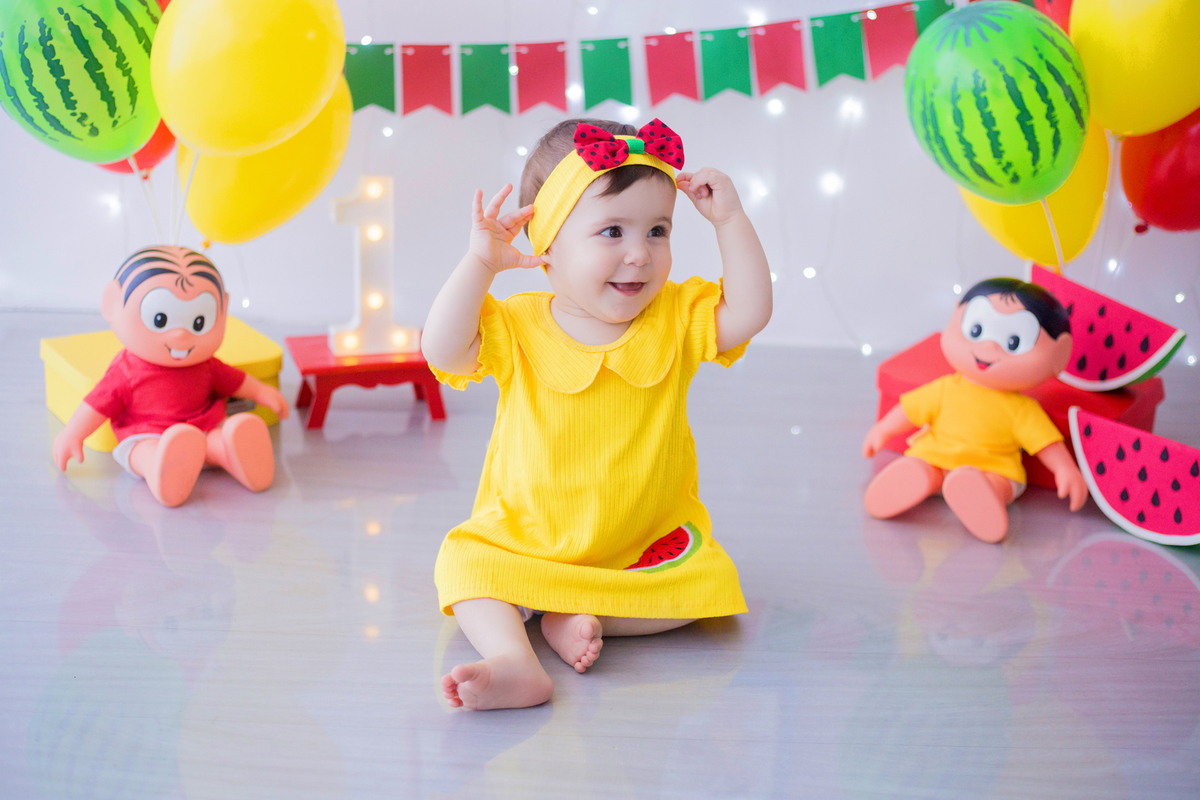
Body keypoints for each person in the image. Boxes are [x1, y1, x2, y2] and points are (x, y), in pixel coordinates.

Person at [422, 118, 772, 710]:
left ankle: (577, 613)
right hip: (527, 539)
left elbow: (751, 311)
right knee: (464, 565)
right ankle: (514, 661)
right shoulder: (518, 324)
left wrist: (730, 221)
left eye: (658, 231)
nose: (640, 254)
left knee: (707, 587)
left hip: (640, 544)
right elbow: (442, 349)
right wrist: (480, 264)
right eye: (612, 231)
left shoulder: (676, 316)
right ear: (549, 243)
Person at [52, 245, 289, 507]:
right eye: (161, 319)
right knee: (143, 453)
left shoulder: (206, 365)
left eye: (198, 323)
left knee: (215, 440)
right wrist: (73, 433)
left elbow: (236, 380)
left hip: (202, 427)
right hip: (146, 434)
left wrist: (262, 392)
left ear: (224, 309)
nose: (181, 335)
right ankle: (160, 469)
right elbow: (97, 403)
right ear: (112, 306)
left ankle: (234, 451)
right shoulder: (126, 371)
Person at [862, 277, 1089, 543]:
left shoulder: (1023, 410)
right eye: (977, 330)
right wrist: (883, 429)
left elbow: (1046, 443)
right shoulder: (944, 388)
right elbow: (909, 410)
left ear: (1059, 355)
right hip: (936, 458)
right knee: (920, 465)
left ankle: (984, 497)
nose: (988, 347)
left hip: (993, 470)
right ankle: (914, 478)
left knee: (1000, 485)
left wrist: (1065, 469)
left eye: (1013, 342)